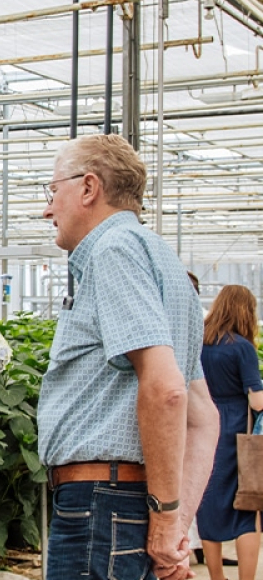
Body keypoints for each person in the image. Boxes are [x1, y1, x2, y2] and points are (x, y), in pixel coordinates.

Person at [38, 134, 219, 580]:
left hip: (100, 505)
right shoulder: (164, 262)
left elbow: (167, 391)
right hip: (121, 504)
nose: (47, 208)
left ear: (88, 187)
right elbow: (202, 416)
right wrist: (175, 525)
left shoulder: (113, 251)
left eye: (52, 190)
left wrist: (166, 520)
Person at [195, 285, 263, 580]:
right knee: (247, 508)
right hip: (236, 430)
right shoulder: (242, 347)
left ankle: (216, 576)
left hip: (203, 424)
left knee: (207, 501)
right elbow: (257, 401)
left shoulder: (199, 343)